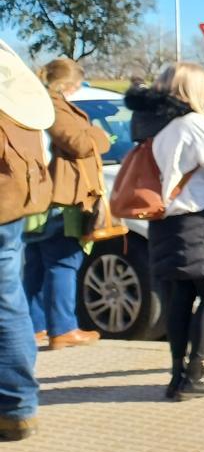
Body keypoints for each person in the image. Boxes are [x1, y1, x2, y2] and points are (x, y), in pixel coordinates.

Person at [126, 63, 204, 399]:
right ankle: (197, 372)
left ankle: (177, 374)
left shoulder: (150, 122)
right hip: (200, 219)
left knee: (179, 297)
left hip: (165, 220)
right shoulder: (193, 124)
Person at [25, 58, 109, 350]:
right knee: (63, 262)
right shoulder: (52, 105)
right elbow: (79, 143)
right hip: (61, 197)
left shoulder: (33, 101)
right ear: (66, 84)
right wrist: (100, 134)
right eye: (76, 84)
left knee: (37, 265)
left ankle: (36, 327)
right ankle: (63, 329)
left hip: (40, 198)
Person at [0, 39, 54, 441]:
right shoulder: (19, 114)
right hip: (12, 210)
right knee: (10, 302)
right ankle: (18, 405)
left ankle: (17, 403)